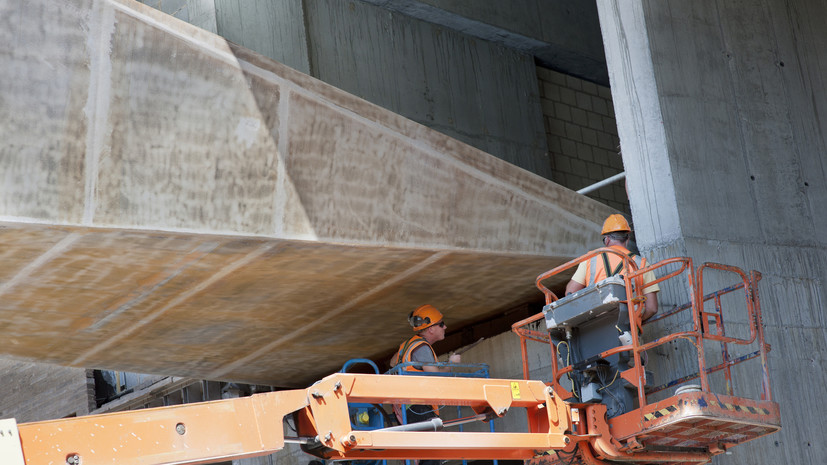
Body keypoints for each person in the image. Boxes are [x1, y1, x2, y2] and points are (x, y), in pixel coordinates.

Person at [390, 304, 460, 458]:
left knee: (419, 454)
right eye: (441, 324)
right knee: (431, 455)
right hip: (419, 407)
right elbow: (437, 378)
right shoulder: (422, 348)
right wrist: (452, 364)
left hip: (405, 408)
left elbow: (393, 362)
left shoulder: (407, 345)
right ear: (431, 329)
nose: (445, 326)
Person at [565, 214, 659, 322]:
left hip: (595, 322)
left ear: (607, 240)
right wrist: (633, 323)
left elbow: (571, 292)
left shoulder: (590, 259)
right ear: (627, 238)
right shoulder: (642, 263)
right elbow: (652, 308)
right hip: (627, 328)